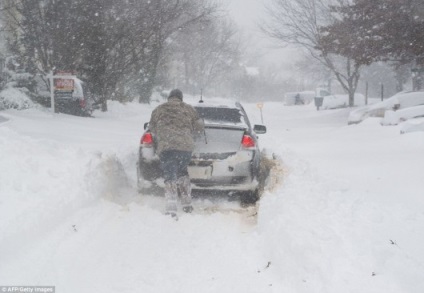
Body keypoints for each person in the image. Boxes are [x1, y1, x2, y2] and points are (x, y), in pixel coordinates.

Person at [148, 89, 204, 217]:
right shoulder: (189, 109)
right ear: (181, 98)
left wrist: (163, 131)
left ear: (169, 97)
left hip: (167, 147)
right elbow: (199, 127)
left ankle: (171, 207)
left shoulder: (159, 109)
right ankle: (187, 204)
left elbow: (152, 127)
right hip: (185, 148)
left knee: (170, 174)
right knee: (182, 172)